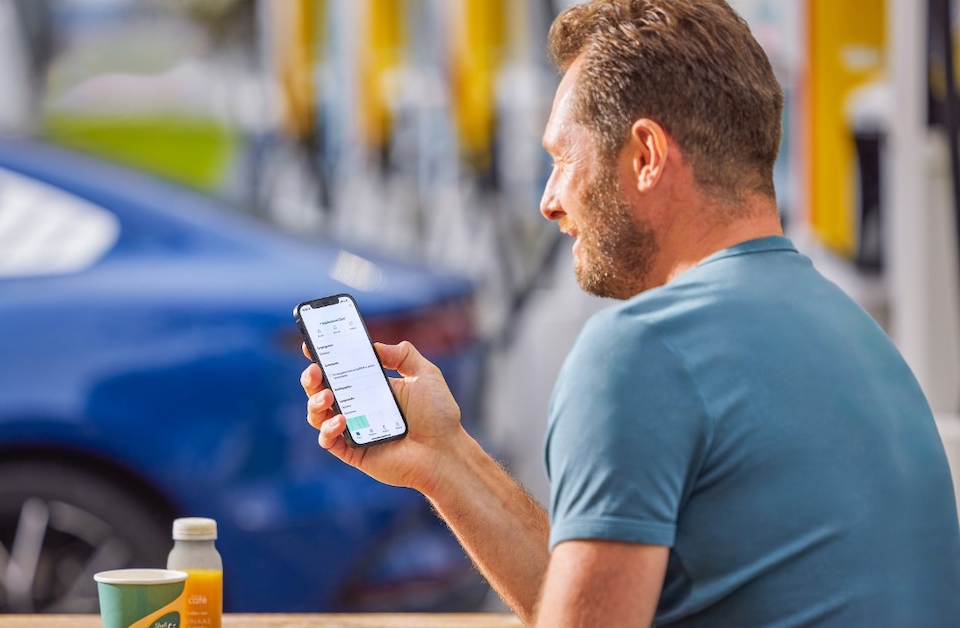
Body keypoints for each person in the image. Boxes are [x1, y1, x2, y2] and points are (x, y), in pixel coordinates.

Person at [300, 1, 960, 625]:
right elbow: (597, 600)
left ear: (644, 156)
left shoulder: (642, 349)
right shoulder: (860, 339)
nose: (549, 201)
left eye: (561, 159)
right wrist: (444, 458)